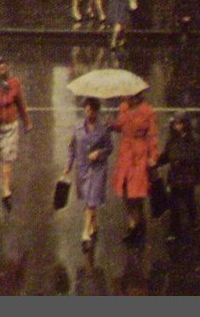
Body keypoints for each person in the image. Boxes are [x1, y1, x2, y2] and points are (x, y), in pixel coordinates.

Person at [0, 57, 32, 207]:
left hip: (10, 125)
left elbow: (21, 103)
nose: (3, 70)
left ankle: (6, 188)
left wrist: (27, 121)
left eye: (5, 68)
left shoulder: (14, 83)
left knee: (7, 156)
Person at [64, 97, 113, 250]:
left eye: (91, 110)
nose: (88, 113)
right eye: (86, 109)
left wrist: (98, 153)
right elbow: (72, 148)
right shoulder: (78, 128)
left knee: (91, 199)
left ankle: (85, 231)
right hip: (83, 168)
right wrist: (68, 166)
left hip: (98, 169)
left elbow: (109, 148)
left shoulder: (103, 129)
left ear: (96, 111)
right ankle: (92, 222)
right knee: (89, 198)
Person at [110, 90, 158, 242]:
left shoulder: (147, 111)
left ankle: (136, 225)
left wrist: (153, 156)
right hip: (126, 154)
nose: (124, 97)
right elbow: (121, 126)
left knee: (137, 191)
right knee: (126, 190)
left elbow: (152, 135)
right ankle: (134, 221)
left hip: (140, 153)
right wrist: (112, 125)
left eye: (127, 94)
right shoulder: (123, 108)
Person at [157, 113, 200, 241]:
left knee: (189, 200)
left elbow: (197, 158)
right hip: (174, 177)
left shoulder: (192, 139)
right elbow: (166, 156)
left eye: (179, 123)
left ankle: (193, 221)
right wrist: (156, 162)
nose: (176, 126)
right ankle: (174, 229)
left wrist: (183, 161)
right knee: (174, 204)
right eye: (175, 123)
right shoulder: (172, 140)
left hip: (187, 176)